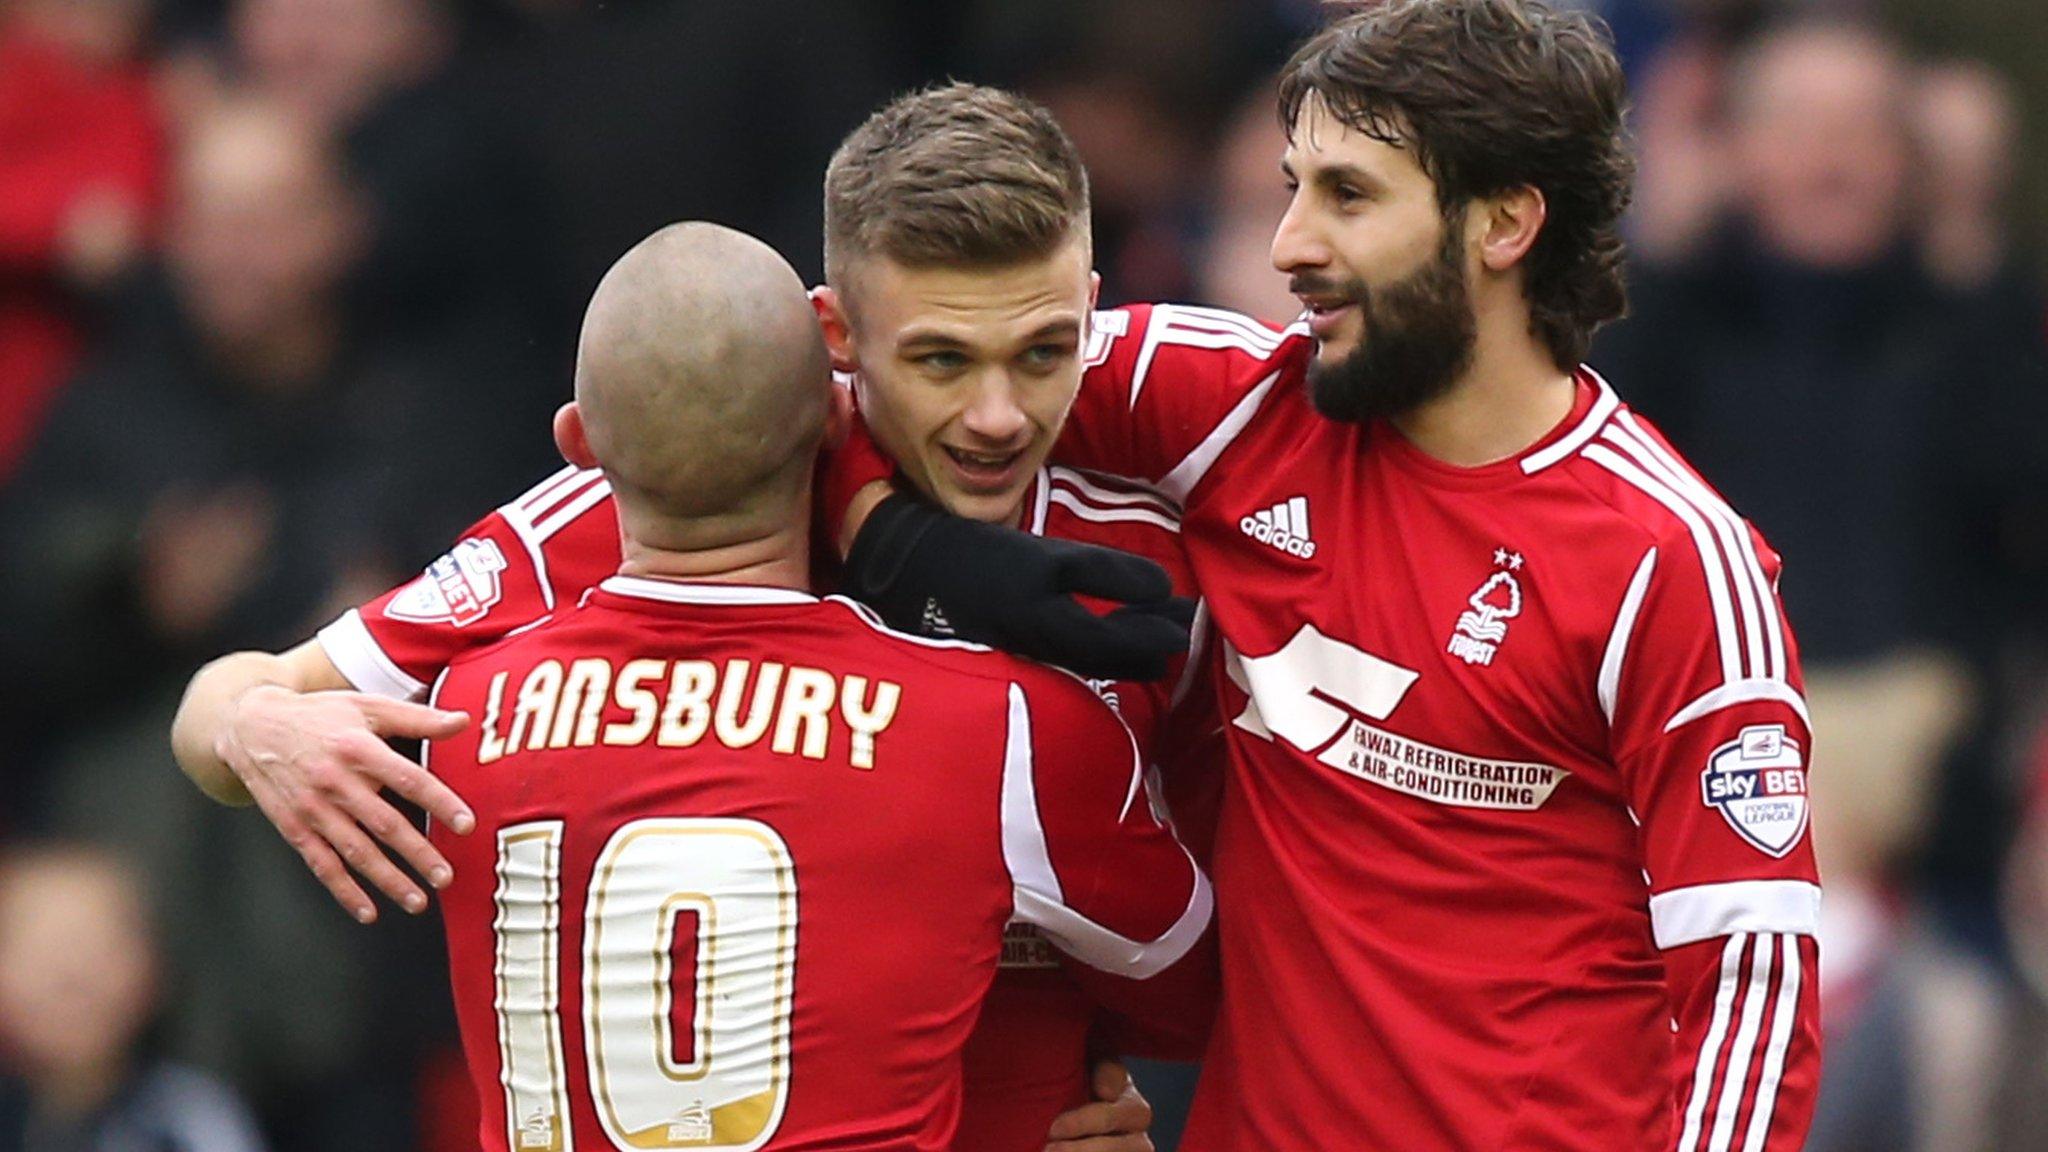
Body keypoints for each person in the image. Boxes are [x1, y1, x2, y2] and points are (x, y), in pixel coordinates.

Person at [826, 1, 1823, 1147]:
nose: (1288, 243)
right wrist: (903, 545)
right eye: (1292, 187)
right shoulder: (1241, 406)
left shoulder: (1668, 560)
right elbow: (810, 379)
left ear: (1501, 223)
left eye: (1345, 196)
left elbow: (1749, 979)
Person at [172, 85, 1201, 1151]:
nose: (997, 414)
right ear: (836, 340)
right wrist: (257, 726)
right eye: (939, 359)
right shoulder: (639, 494)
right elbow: (225, 705)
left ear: (1088, 314)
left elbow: (1218, 956)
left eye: (1042, 353)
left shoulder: (1152, 526)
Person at [418, 220, 1215, 1151]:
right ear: (841, 426)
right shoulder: (1000, 723)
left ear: (577, 444)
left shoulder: (458, 711)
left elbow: (261, 700)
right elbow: (1187, 998)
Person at [0, 842, 270, 1152]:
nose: (71, 978)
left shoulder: (191, 1121)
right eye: (43, 950)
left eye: (93, 948)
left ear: (150, 968)